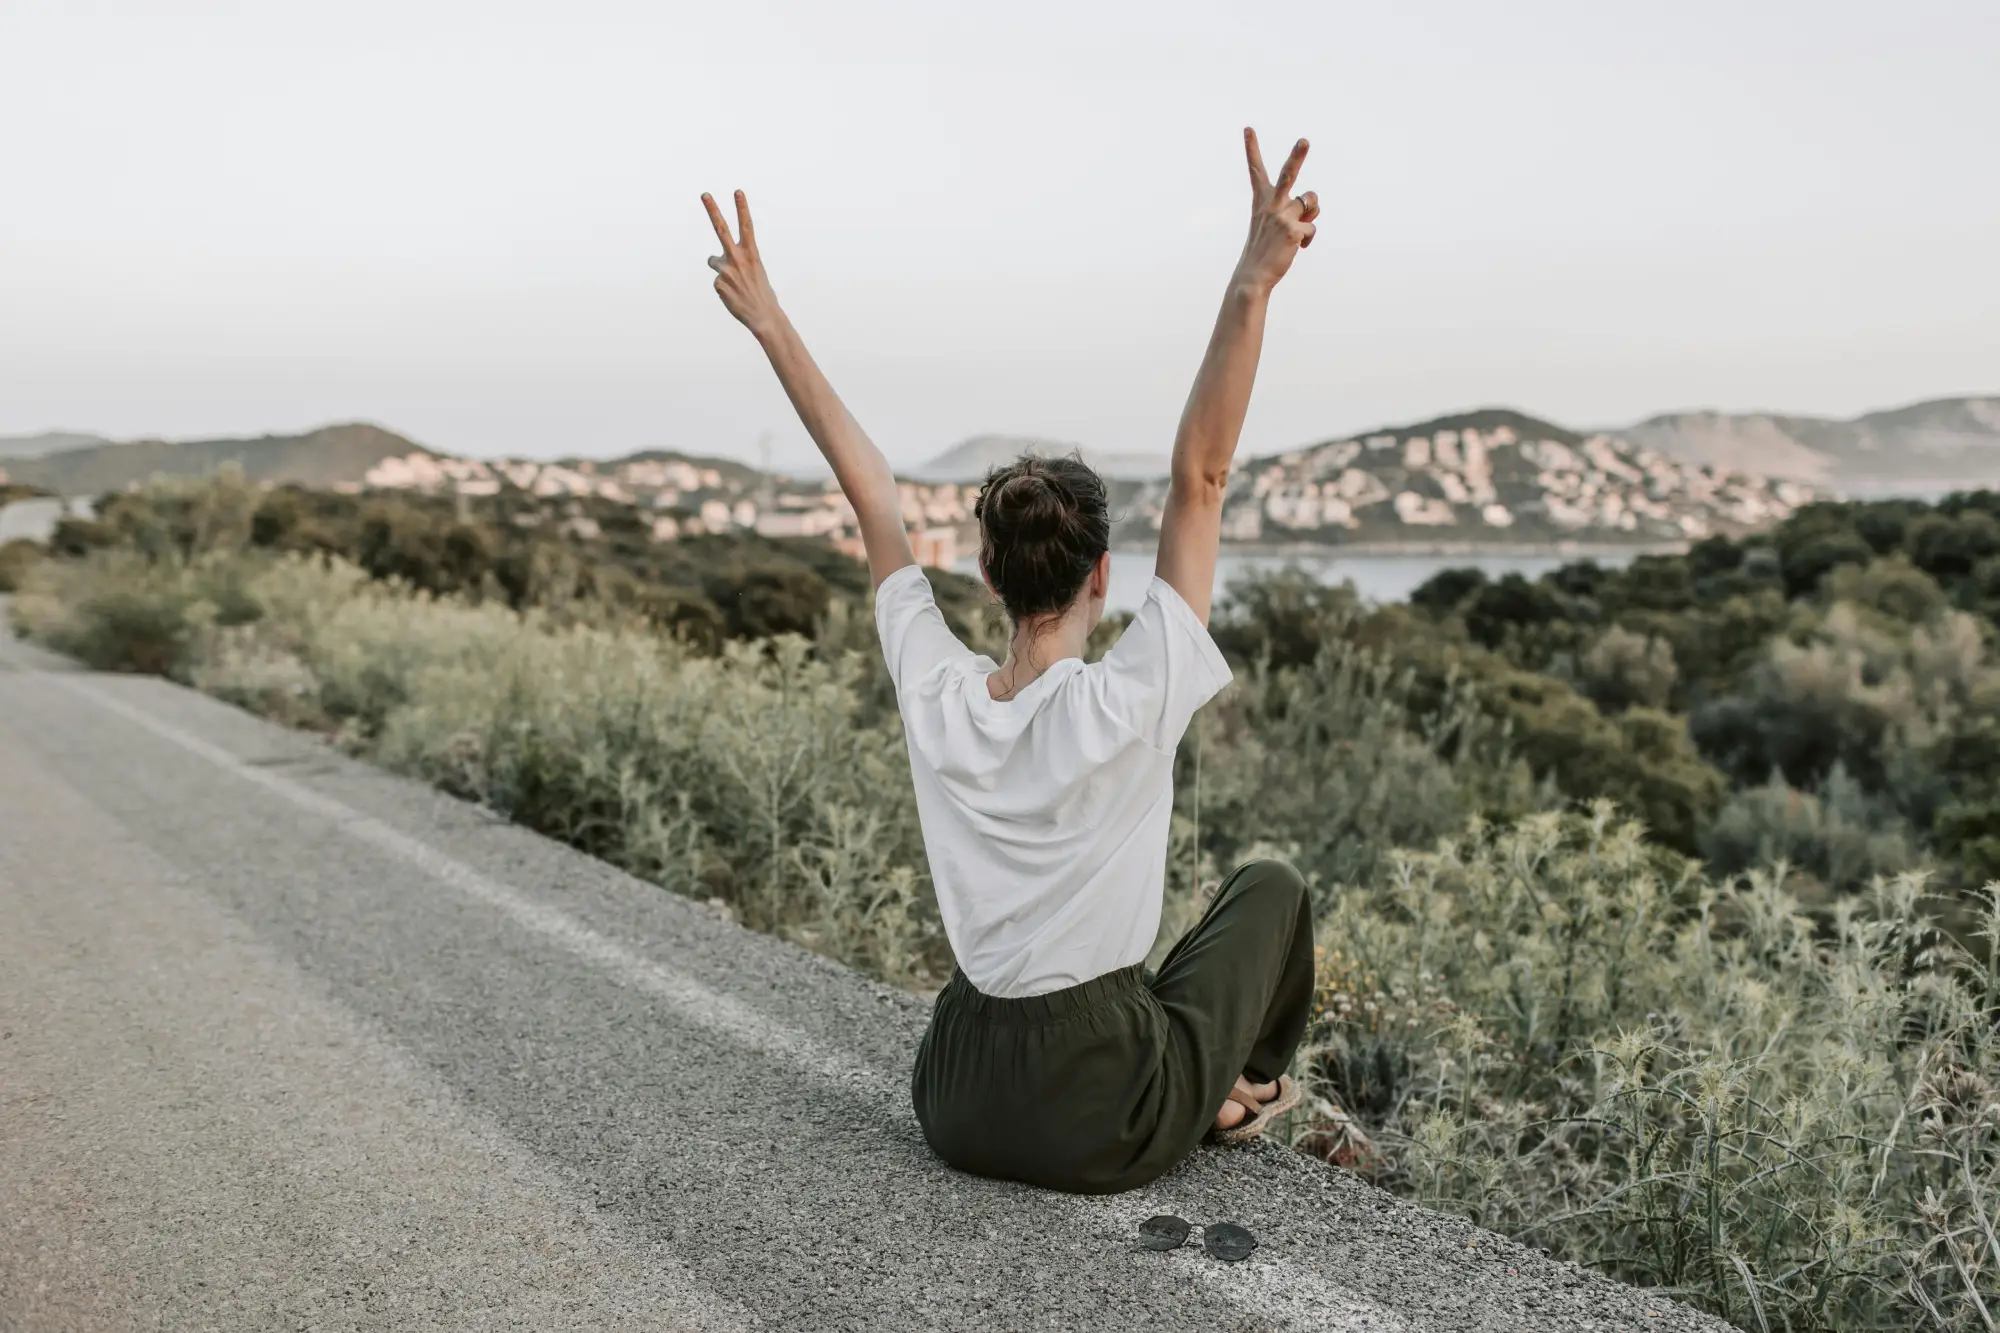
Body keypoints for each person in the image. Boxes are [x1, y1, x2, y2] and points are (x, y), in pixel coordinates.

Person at [701, 128, 1319, 1194]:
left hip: (954, 1093)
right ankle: (1239, 1092)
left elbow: (871, 494)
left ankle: (1210, 1089)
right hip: (1095, 1109)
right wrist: (1250, 280)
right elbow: (1201, 479)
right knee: (1265, 888)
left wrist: (768, 320)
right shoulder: (1134, 691)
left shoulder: (936, 692)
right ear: (1102, 580)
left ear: (983, 576)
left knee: (1140, 978)